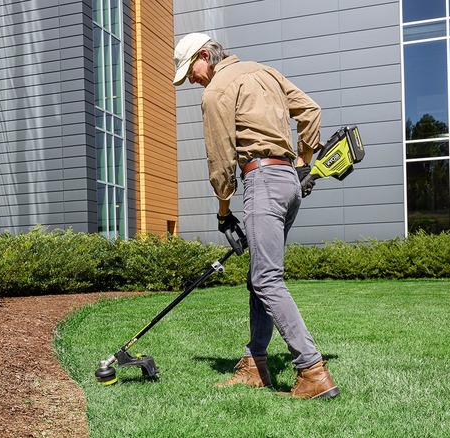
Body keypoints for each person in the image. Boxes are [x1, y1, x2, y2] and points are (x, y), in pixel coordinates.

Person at [173, 32, 339, 400]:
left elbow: (220, 160)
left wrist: (222, 214)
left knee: (266, 280)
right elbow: (311, 111)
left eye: (191, 71)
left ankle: (312, 371)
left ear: (205, 55)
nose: (192, 80)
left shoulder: (216, 91)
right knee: (258, 278)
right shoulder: (265, 72)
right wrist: (302, 163)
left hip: (261, 181)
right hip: (289, 184)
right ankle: (255, 365)